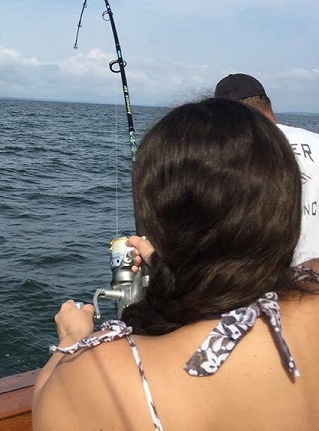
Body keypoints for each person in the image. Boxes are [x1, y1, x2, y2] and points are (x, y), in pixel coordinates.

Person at [32, 99, 319, 431]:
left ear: (154, 219)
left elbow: (50, 404)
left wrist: (72, 338)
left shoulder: (94, 377)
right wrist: (175, 263)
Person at [214, 73, 319, 266]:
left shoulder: (233, 155)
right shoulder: (316, 141)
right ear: (267, 104)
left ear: (227, 116)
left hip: (270, 283)